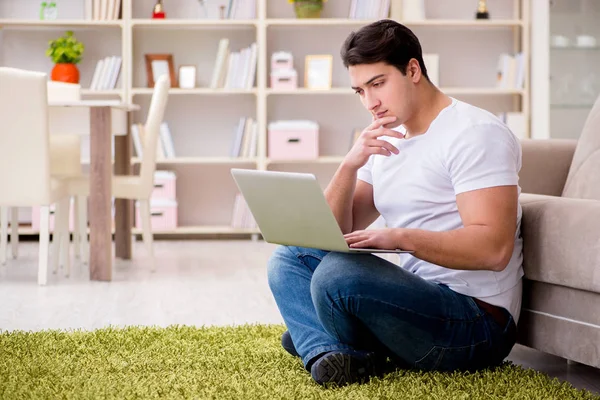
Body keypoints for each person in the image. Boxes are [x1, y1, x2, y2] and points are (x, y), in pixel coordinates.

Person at [266, 19, 523, 387]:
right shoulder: (389, 136)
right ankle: (329, 352)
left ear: (413, 70)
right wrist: (348, 165)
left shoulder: (475, 134)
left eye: (378, 84)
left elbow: (493, 249)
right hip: (419, 302)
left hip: (476, 323)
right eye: (359, 91)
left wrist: (399, 238)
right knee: (291, 256)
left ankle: (322, 337)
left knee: (337, 276)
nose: (370, 102)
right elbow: (335, 232)